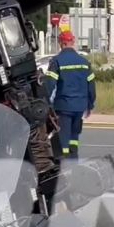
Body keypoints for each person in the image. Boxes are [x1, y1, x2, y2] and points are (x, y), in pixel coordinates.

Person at [44, 31, 96, 160]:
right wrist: (90, 105)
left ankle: (65, 165)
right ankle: (74, 160)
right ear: (73, 42)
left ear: (61, 43)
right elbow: (91, 87)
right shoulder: (84, 62)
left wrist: (45, 104)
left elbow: (49, 85)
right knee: (74, 137)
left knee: (64, 138)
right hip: (80, 106)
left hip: (64, 106)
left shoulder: (57, 61)